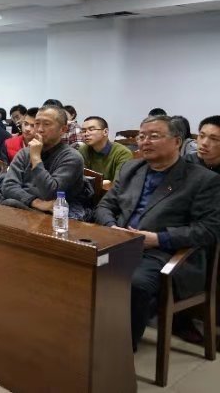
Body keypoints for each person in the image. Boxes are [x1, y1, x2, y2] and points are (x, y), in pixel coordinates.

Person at [94, 115, 220, 352]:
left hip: (163, 253)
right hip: (118, 243)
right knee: (77, 265)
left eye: (154, 136)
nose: (144, 141)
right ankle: (85, 331)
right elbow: (104, 206)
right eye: (141, 136)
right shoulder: (132, 168)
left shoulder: (203, 180)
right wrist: (112, 227)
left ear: (177, 142)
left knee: (134, 283)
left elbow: (207, 230)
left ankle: (119, 351)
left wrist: (157, 239)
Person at [0, 105, 86, 219]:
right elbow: (8, 186)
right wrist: (35, 201)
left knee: (10, 204)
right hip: (25, 208)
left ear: (63, 130)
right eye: (37, 123)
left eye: (46, 124)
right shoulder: (25, 153)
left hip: (56, 215)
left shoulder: (72, 157)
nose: (40, 129)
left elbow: (50, 194)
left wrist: (36, 158)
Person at [79, 116, 133, 182]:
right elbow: (80, 178)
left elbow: (120, 183)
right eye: (83, 131)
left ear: (105, 132)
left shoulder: (123, 153)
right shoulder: (83, 150)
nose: (86, 134)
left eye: (91, 129)